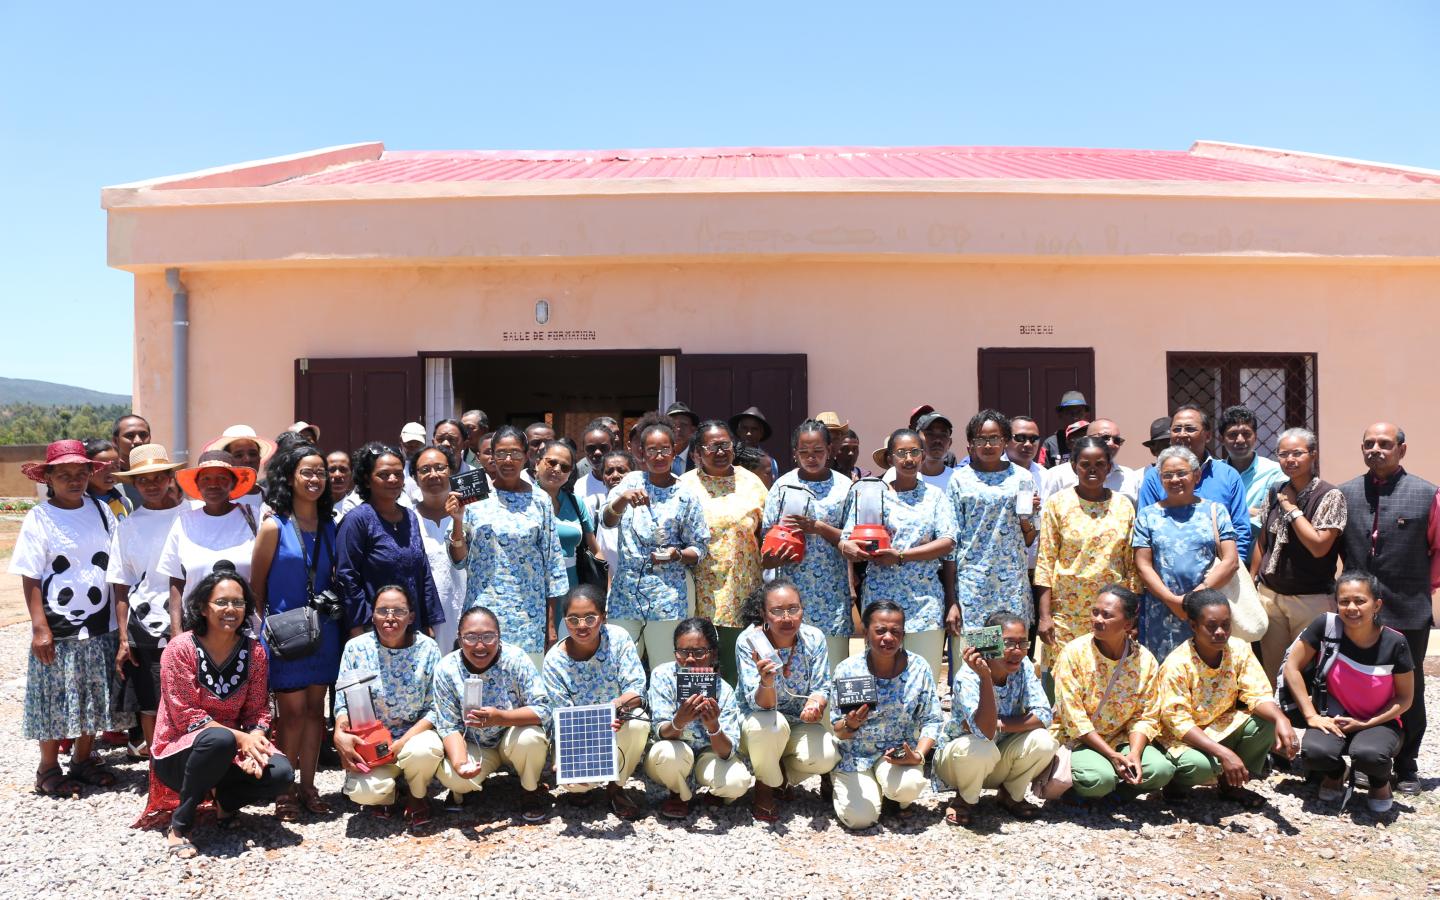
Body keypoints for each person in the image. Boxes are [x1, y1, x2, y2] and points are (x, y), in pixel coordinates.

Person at [141, 568, 293, 857]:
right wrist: (240, 739)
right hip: (180, 751)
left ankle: (226, 802)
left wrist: (255, 742)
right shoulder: (179, 649)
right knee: (218, 740)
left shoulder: (254, 652)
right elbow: (187, 716)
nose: (231, 609)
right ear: (202, 608)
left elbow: (258, 709)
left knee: (282, 773)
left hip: (231, 748)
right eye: (222, 602)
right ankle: (179, 828)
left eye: (238, 603)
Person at [11, 440, 125, 797]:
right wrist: (39, 627)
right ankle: (47, 767)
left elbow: (117, 564)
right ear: (49, 478)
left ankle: (83, 758)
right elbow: (30, 575)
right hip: (58, 629)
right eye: (64, 474)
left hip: (100, 623)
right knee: (54, 696)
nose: (74, 480)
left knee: (94, 693)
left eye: (80, 473)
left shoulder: (101, 510)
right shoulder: (40, 517)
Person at [1337, 421, 1437, 794]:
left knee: (1408, 687)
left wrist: (1422, 589)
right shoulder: (1346, 492)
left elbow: (1438, 550)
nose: (1375, 449)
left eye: (1384, 443)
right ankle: (1362, 761)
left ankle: (1407, 764)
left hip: (1408, 607)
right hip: (1356, 611)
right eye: (1369, 444)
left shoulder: (1427, 493)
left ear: (1401, 450)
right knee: (1356, 682)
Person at [249, 441, 341, 818]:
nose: (315, 478)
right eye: (307, 471)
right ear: (290, 477)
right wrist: (268, 631)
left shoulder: (332, 526)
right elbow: (257, 587)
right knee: (290, 713)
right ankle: (283, 790)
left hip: (324, 630)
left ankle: (308, 785)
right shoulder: (273, 526)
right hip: (285, 633)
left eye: (320, 472)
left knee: (316, 712)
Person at [1283, 572, 1415, 813]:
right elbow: (1292, 666)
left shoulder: (1396, 643)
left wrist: (1366, 723)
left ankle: (1379, 782)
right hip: (1332, 716)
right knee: (1314, 753)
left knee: (1369, 755)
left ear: (1377, 605)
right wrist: (1311, 716)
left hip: (1378, 721)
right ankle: (1335, 774)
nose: (1351, 607)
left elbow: (1405, 698)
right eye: (1344, 601)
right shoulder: (1326, 626)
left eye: (1360, 601)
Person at [1156, 589, 1299, 806]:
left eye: (1226, 624)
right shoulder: (1177, 665)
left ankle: (1230, 786)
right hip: (1182, 737)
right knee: (1199, 767)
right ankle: (1175, 786)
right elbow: (1178, 724)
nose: (1221, 632)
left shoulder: (1239, 649)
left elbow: (1257, 693)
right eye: (1211, 626)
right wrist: (1224, 753)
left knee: (1265, 723)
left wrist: (1282, 719)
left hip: (1219, 727)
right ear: (1194, 626)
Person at [841, 429, 958, 679]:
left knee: (924, 675)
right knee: (880, 674)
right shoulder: (871, 494)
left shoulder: (935, 497)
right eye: (901, 453)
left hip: (924, 601)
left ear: (923, 455)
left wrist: (902, 556)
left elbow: (948, 542)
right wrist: (855, 549)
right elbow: (848, 536)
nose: (908, 459)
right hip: (881, 600)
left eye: (914, 452)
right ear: (890, 458)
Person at [334, 585, 444, 828]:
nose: (390, 617)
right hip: (371, 743)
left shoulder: (428, 649)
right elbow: (343, 704)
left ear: (411, 617)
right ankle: (389, 793)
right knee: (363, 793)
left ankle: (417, 796)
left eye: (399, 611)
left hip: (414, 737)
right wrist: (339, 733)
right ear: (372, 615)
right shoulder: (356, 648)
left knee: (423, 752)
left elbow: (436, 708)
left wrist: (402, 742)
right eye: (383, 610)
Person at [1050, 586, 1175, 800]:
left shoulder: (1144, 660)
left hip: (1121, 739)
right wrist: (1111, 755)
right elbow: (1074, 719)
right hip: (1081, 739)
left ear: (1127, 624)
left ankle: (1117, 794)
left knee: (1161, 770)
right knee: (1100, 779)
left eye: (1107, 615)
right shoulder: (1073, 653)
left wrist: (1134, 753)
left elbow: (1145, 715)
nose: (1098, 619)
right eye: (1095, 612)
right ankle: (1087, 790)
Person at [602, 421, 710, 668]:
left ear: (674, 450)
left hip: (668, 596)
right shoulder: (630, 482)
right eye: (652, 450)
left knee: (664, 665)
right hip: (626, 594)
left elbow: (700, 546)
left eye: (664, 449)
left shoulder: (686, 494)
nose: (659, 456)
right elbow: (606, 521)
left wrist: (678, 554)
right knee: (620, 662)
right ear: (641, 452)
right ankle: (629, 708)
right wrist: (621, 500)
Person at [431, 606, 553, 822]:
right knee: (453, 777)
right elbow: (448, 725)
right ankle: (464, 786)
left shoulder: (515, 658)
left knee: (531, 738)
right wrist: (460, 763)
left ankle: (530, 790)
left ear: (499, 636)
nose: (480, 645)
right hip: (474, 743)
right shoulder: (447, 668)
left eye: (488, 636)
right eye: (470, 637)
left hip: (512, 739)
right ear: (459, 639)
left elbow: (542, 709)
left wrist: (501, 717)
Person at [829, 601, 943, 829]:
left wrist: (918, 756)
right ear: (865, 632)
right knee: (860, 820)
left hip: (897, 754)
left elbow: (933, 719)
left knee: (909, 785)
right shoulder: (848, 670)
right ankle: (848, 783)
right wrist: (850, 724)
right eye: (880, 630)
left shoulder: (918, 668)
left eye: (895, 631)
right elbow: (838, 730)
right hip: (856, 754)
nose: (888, 637)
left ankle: (891, 793)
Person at [936, 612, 1055, 825]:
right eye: (1009, 643)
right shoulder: (968, 676)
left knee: (1044, 741)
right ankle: (965, 798)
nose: (1017, 651)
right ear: (989, 644)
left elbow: (1045, 714)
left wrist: (1000, 724)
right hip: (959, 761)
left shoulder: (1024, 666)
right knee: (981, 745)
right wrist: (985, 676)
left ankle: (1010, 795)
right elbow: (985, 733)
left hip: (997, 757)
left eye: (1023, 643)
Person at [541, 584, 648, 819]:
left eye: (590, 618)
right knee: (576, 784)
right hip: (576, 734)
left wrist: (613, 710)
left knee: (640, 723)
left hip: (616, 723)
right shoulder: (554, 661)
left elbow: (637, 691)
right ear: (564, 620)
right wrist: (565, 755)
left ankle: (616, 788)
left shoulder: (618, 639)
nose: (582, 626)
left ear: (603, 617)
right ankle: (582, 787)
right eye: (573, 619)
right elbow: (561, 717)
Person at [463, 426, 567, 668]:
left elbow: (553, 564)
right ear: (489, 456)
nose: (508, 460)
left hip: (528, 612)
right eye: (500, 453)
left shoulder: (540, 500)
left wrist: (550, 624)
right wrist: (457, 520)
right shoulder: (474, 497)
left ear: (527, 456)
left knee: (527, 682)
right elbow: (458, 558)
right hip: (484, 607)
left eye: (515, 453)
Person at [735, 580, 839, 822]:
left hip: (797, 721)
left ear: (803, 609)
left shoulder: (814, 638)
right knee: (771, 723)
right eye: (777, 611)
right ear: (763, 613)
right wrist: (766, 682)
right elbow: (757, 704)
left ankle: (779, 773)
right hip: (760, 722)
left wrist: (816, 703)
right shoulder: (749, 641)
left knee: (827, 755)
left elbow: (822, 686)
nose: (786, 618)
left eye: (793, 609)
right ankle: (764, 787)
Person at [108, 444, 186, 758]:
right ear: (133, 485)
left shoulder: (191, 515)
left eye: (158, 477)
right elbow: (121, 586)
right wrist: (124, 637)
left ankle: (189, 761)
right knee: (150, 698)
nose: (151, 484)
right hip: (146, 623)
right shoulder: (127, 527)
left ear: (170, 477)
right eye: (143, 480)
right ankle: (158, 765)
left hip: (191, 620)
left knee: (188, 694)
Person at [1251, 427, 1346, 681]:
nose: (1289, 460)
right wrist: (1253, 580)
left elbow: (1318, 546)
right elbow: (1263, 542)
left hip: (1311, 598)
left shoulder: (1329, 495)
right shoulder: (1275, 491)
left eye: (1297, 453)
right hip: (1271, 595)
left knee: (1310, 670)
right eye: (1283, 454)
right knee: (1273, 671)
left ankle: (1310, 717)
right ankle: (1280, 719)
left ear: (1313, 455)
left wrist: (1291, 508)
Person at [1035, 436, 1139, 661]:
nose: (1093, 469)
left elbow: (1131, 565)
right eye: (1085, 464)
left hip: (1112, 614)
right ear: (1074, 466)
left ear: (1109, 467)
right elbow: (1045, 561)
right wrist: (1045, 616)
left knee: (1107, 672)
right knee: (1067, 675)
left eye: (1100, 464)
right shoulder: (1058, 504)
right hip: (1067, 612)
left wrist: (1132, 616)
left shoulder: (1123, 506)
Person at [680, 421, 768, 683]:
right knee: (699, 668)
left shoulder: (752, 482)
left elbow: (768, 531)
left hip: (741, 592)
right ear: (697, 452)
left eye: (725, 445)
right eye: (712, 446)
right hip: (696, 593)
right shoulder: (684, 486)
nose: (720, 452)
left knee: (736, 667)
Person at [761, 420, 854, 667]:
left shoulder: (844, 487)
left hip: (832, 595)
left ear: (830, 451)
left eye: (818, 452)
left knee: (832, 668)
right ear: (794, 454)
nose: (811, 458)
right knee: (792, 667)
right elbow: (765, 541)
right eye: (804, 452)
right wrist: (775, 556)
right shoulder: (782, 486)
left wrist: (819, 528)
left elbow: (853, 540)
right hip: (790, 594)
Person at [1132, 447, 1239, 661]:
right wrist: (1172, 600)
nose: (1175, 479)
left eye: (1182, 473)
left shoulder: (1215, 511)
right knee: (1163, 672)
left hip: (1206, 611)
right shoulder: (1147, 515)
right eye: (1167, 475)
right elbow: (1143, 565)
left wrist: (1193, 599)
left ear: (1196, 475)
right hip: (1160, 610)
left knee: (1207, 669)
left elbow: (1231, 561)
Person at [948, 411, 1038, 652]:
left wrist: (1026, 518)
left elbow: (1029, 537)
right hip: (974, 585)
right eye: (980, 439)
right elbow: (951, 541)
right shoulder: (959, 480)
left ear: (1006, 441)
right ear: (970, 444)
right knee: (980, 657)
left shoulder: (1022, 477)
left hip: (1011, 584)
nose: (988, 445)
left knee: (1009, 655)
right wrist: (952, 598)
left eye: (995, 438)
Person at [645, 617, 753, 819]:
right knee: (668, 752)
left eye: (699, 652)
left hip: (707, 755)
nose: (690, 659)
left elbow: (727, 753)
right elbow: (659, 732)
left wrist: (713, 726)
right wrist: (679, 721)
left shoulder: (723, 690)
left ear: (713, 653)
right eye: (683, 652)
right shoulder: (663, 675)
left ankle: (713, 790)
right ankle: (677, 793)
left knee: (738, 782)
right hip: (672, 754)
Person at [334, 443, 445, 637]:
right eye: (384, 475)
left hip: (410, 626)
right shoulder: (357, 520)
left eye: (398, 473)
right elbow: (346, 576)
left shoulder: (410, 517)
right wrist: (358, 625)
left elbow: (423, 570)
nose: (393, 479)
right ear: (367, 480)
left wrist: (427, 620)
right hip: (373, 628)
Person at [157, 451, 260, 630]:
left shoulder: (255, 517)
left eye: (221, 478)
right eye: (205, 479)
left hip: (247, 631)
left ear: (233, 482)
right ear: (197, 484)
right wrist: (176, 631)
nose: (213, 485)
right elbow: (176, 581)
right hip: (198, 631)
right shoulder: (184, 522)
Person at [1137, 406, 1252, 564]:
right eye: (1177, 429)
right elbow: (1145, 533)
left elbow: (1240, 529)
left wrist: (1229, 570)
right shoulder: (1154, 477)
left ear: (1208, 435)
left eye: (1190, 429)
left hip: (1220, 578)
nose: (1182, 434)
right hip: (1166, 578)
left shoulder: (1228, 475)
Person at [410, 444, 470, 654]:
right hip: (424, 617)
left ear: (451, 471)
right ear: (415, 477)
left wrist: (458, 521)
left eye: (440, 468)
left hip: (465, 612)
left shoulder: (471, 514)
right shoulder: (407, 518)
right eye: (425, 470)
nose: (433, 474)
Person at [535, 440, 599, 598]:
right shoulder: (523, 500)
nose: (557, 469)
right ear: (537, 463)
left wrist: (604, 585)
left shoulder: (575, 502)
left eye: (564, 467)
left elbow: (595, 549)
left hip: (570, 586)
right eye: (551, 462)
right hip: (533, 584)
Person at [1219, 405, 1287, 542]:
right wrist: (1251, 512)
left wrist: (1229, 514)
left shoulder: (1275, 472)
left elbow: (1279, 517)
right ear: (1221, 439)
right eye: (1232, 435)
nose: (1240, 440)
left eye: (1246, 434)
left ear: (1255, 436)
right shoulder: (1214, 473)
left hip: (1261, 559)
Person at [1042, 419, 1141, 504]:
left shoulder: (1129, 477)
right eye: (1105, 438)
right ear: (1086, 439)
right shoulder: (1056, 476)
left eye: (1117, 440)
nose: (1111, 444)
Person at [205, 425, 275, 515]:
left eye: (253, 454)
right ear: (226, 461)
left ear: (259, 458)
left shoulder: (272, 497)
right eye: (238, 455)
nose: (247, 459)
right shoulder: (216, 501)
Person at [589, 450, 634, 584]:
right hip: (606, 585)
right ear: (602, 478)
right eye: (609, 472)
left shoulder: (643, 507)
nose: (615, 476)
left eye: (621, 470)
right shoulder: (593, 505)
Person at [111, 414, 152, 508]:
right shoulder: (106, 477)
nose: (138, 441)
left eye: (143, 435)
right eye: (130, 436)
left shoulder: (162, 475)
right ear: (115, 441)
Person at [1041, 390, 1090, 468]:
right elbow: (1042, 472)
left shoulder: (1093, 439)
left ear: (1086, 414)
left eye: (1079, 412)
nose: (1075, 416)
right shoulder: (1050, 443)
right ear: (1060, 415)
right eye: (1069, 412)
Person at [84, 439, 131, 519]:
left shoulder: (124, 503)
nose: (110, 473)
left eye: (116, 466)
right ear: (87, 468)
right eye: (103, 467)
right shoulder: (78, 504)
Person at [576, 420, 615, 502]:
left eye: (603, 448)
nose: (597, 453)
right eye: (591, 448)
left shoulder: (627, 482)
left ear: (613, 448)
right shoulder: (579, 486)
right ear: (583, 450)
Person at [665, 401, 700, 474]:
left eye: (684, 424)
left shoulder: (699, 458)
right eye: (673, 425)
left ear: (693, 430)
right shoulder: (658, 457)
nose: (678, 429)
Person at [327, 449, 361, 521]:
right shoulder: (314, 508)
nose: (337, 475)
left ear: (351, 474)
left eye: (343, 469)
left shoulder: (357, 508)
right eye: (332, 470)